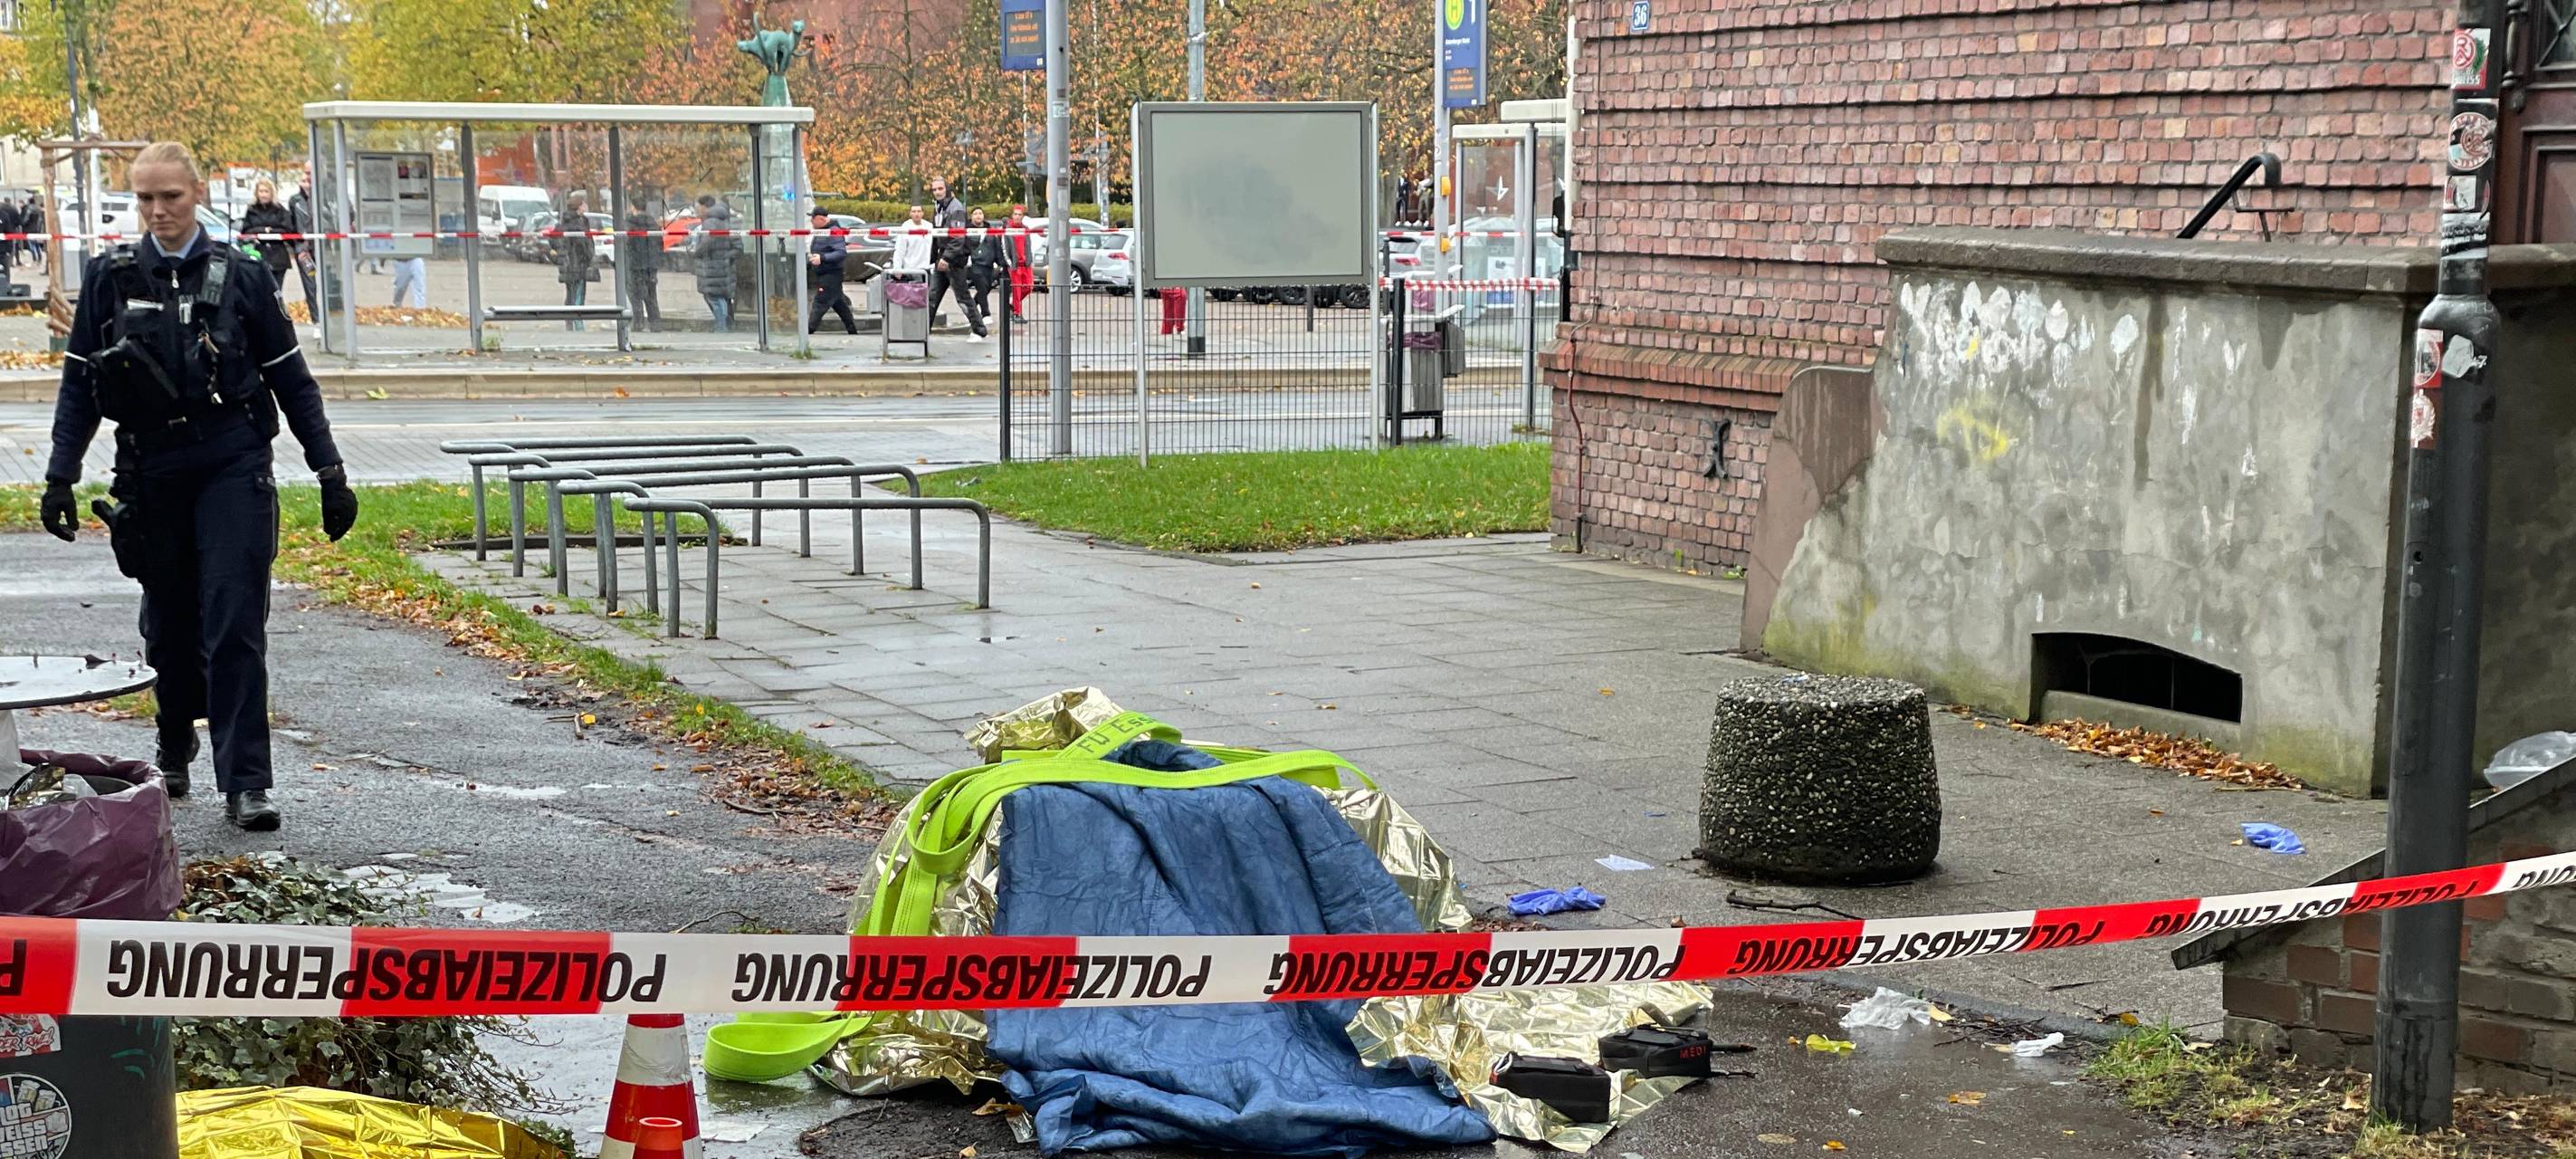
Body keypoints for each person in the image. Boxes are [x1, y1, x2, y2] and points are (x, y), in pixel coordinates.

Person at [38, 141, 357, 832]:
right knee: (170, 625)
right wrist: (60, 476)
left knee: (234, 620)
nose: (158, 211)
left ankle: (247, 783)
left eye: (171, 197)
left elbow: (291, 380)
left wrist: (329, 471)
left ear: (198, 194)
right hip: (151, 470)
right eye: (145, 199)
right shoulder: (110, 277)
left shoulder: (242, 276)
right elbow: (80, 386)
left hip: (232, 463)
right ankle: (174, 732)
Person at [924, 177, 984, 339]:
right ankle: (922, 332)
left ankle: (979, 330)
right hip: (943, 257)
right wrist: (934, 258)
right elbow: (937, 234)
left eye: (940, 189)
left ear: (947, 189)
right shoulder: (939, 207)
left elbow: (957, 237)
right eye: (934, 189)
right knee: (932, 297)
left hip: (954, 260)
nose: (937, 192)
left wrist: (947, 258)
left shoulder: (955, 208)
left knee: (962, 298)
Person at [236, 180, 294, 301]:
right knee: (260, 294)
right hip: (258, 255)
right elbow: (245, 231)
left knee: (276, 293)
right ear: (256, 193)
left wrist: (270, 232)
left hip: (278, 257)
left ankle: (278, 311)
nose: (263, 195)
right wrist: (263, 230)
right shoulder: (251, 210)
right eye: (261, 191)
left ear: (271, 193)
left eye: (266, 191)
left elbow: (287, 230)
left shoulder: (279, 210)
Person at [806, 207, 856, 335]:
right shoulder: (823, 231)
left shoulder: (834, 231)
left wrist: (822, 258)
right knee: (839, 304)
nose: (811, 222)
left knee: (820, 302)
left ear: (821, 219)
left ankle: (808, 329)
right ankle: (852, 329)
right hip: (825, 273)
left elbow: (841, 252)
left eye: (813, 219)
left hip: (831, 274)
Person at [694, 195, 739, 332]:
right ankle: (726, 325)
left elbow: (705, 244)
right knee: (722, 298)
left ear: (704, 207)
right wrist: (726, 258)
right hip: (724, 268)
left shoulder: (710, 223)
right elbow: (738, 246)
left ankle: (721, 327)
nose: (698, 211)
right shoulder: (728, 220)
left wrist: (695, 251)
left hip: (712, 267)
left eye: (699, 207)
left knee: (715, 298)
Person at [556, 190, 596, 330]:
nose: (586, 206)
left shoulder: (581, 220)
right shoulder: (574, 223)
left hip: (576, 262)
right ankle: (574, 320)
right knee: (575, 292)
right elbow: (582, 243)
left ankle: (573, 320)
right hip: (574, 262)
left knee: (575, 292)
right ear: (579, 206)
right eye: (584, 203)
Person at [622, 193, 662, 331]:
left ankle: (638, 323)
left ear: (633, 207)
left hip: (635, 265)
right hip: (651, 266)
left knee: (635, 296)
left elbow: (626, 245)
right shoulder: (653, 224)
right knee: (651, 296)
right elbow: (659, 245)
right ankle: (655, 324)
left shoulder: (630, 224)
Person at [286, 177, 320, 322]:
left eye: (309, 180)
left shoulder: (323, 198)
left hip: (322, 247)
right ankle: (316, 318)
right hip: (304, 250)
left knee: (329, 283)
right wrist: (298, 246)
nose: (307, 183)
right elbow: (292, 224)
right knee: (310, 283)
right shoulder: (295, 200)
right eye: (303, 180)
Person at [966, 206, 1003, 328]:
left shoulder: (990, 231)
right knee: (982, 287)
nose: (978, 215)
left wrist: (1000, 263)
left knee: (986, 287)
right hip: (974, 265)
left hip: (988, 265)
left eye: (980, 213)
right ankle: (985, 314)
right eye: (975, 213)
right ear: (971, 216)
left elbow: (996, 247)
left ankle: (971, 308)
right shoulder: (967, 230)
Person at [1003, 204, 1034, 322]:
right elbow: (1005, 248)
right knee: (1017, 290)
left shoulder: (1025, 229)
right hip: (1015, 265)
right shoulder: (1007, 229)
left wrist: (1029, 259)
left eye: (1019, 214)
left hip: (1026, 264)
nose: (1017, 216)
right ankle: (1017, 313)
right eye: (1015, 214)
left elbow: (1028, 245)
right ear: (1012, 215)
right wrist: (1010, 264)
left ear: (1023, 216)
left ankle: (1012, 304)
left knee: (1029, 287)